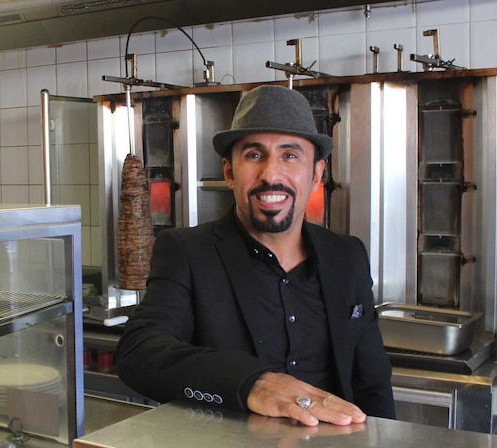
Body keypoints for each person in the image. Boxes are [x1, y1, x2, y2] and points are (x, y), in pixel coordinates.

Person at [116, 85, 395, 426]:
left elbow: (373, 381)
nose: (271, 175)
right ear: (230, 172)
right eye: (254, 155)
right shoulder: (188, 252)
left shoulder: (347, 256)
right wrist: (254, 383)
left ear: (316, 174)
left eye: (290, 155)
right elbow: (139, 353)